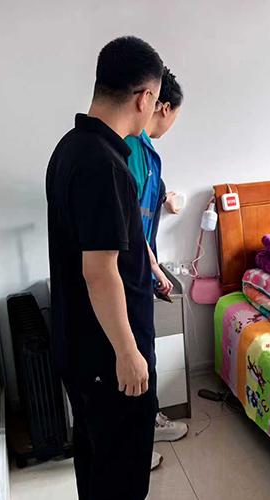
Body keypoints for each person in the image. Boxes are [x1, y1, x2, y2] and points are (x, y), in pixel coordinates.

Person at [46, 36, 163, 499]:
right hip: (107, 355)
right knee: (121, 476)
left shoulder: (71, 147)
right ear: (144, 98)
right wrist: (128, 353)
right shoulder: (106, 166)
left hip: (81, 345)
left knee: (96, 462)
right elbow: (100, 272)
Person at [124, 67, 188, 445]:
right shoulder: (132, 148)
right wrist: (154, 268)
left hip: (138, 266)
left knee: (144, 350)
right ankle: (141, 434)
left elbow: (145, 202)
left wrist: (167, 199)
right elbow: (130, 218)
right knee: (139, 354)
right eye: (174, 115)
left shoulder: (145, 152)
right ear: (162, 107)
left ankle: (147, 423)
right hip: (131, 268)